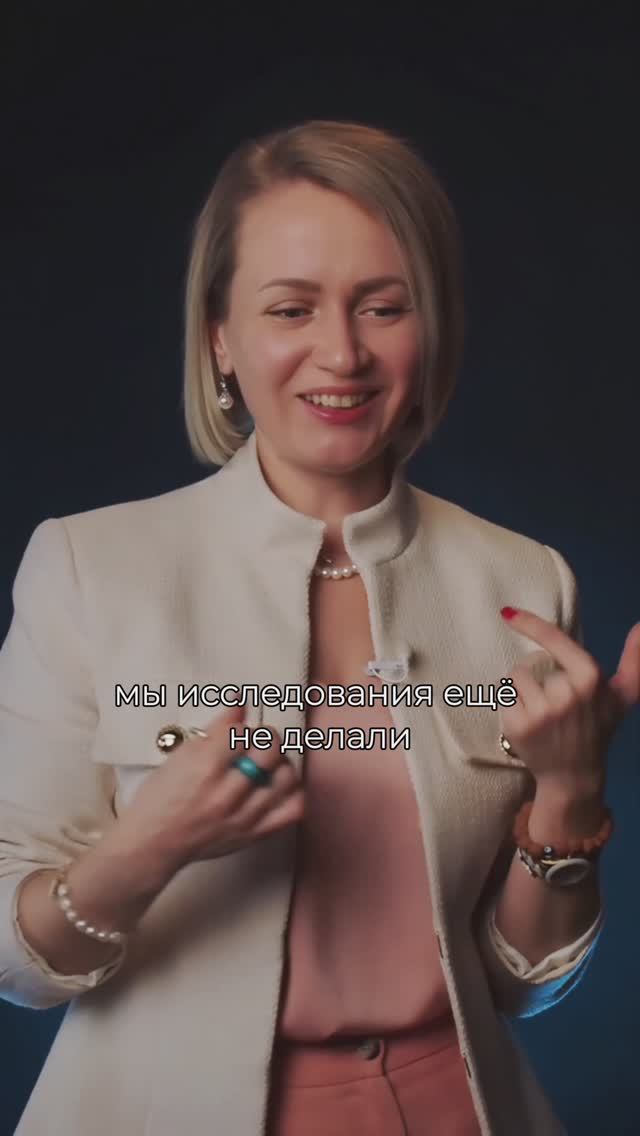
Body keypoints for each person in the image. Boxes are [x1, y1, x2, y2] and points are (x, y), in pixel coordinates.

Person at [1, 119, 638, 1136]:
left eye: (384, 306)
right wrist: (152, 843)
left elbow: (520, 985)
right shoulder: (88, 567)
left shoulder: (525, 581)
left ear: (431, 327)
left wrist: (569, 793)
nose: (341, 353)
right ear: (220, 334)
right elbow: (18, 961)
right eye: (290, 308)